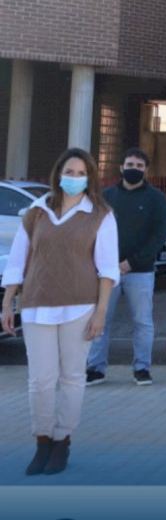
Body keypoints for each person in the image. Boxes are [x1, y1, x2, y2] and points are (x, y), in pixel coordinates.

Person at [2, 148, 119, 476]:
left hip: (80, 306)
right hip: (36, 304)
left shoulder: (100, 215)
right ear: (59, 174)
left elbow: (108, 269)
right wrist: (7, 302)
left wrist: (101, 312)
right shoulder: (37, 211)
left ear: (90, 178)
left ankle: (61, 441)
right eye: (70, 172)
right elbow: (18, 259)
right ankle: (42, 441)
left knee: (72, 378)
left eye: (81, 173)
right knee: (40, 380)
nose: (74, 178)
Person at [86, 148, 166, 387]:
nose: (134, 169)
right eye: (130, 165)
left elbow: (159, 236)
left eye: (139, 166)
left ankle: (142, 368)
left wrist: (131, 262)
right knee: (101, 319)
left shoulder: (157, 199)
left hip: (140, 272)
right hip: (106, 272)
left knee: (142, 322)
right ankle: (95, 368)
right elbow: (93, 231)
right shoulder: (106, 197)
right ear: (121, 167)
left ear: (146, 170)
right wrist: (106, 263)